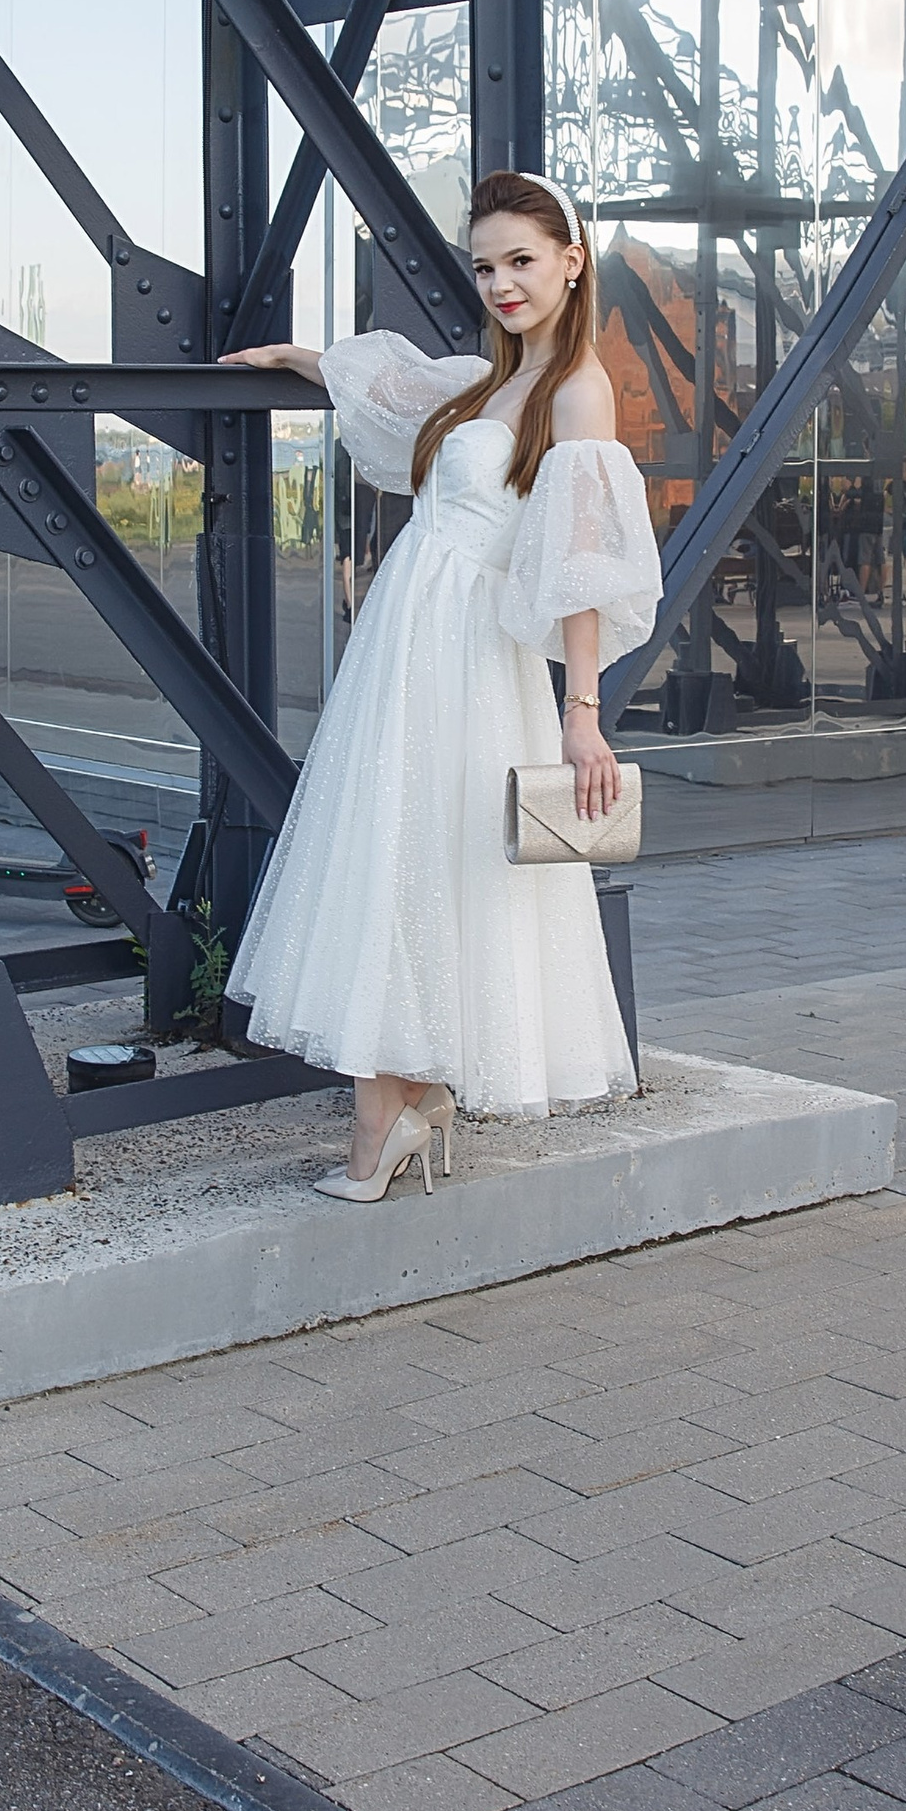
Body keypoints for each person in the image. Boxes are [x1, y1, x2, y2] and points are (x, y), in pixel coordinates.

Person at [220, 170, 659, 1200]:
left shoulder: (578, 391)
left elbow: (579, 564)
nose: (502, 282)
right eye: (486, 265)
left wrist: (582, 715)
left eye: (521, 260)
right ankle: (409, 1100)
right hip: (409, 646)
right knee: (401, 854)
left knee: (414, 858)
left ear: (571, 260)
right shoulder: (483, 381)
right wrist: (295, 355)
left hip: (467, 652)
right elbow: (392, 389)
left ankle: (385, 1126)